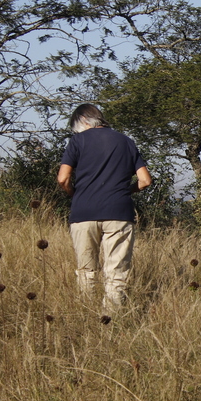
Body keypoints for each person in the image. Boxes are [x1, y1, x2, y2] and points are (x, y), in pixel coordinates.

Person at [56, 104, 152, 312]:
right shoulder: (126, 142)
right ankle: (112, 320)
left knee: (86, 270)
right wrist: (126, 191)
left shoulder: (77, 141)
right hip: (119, 212)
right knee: (117, 272)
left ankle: (87, 315)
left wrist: (76, 194)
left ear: (84, 121)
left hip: (83, 213)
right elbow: (145, 180)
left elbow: (63, 179)